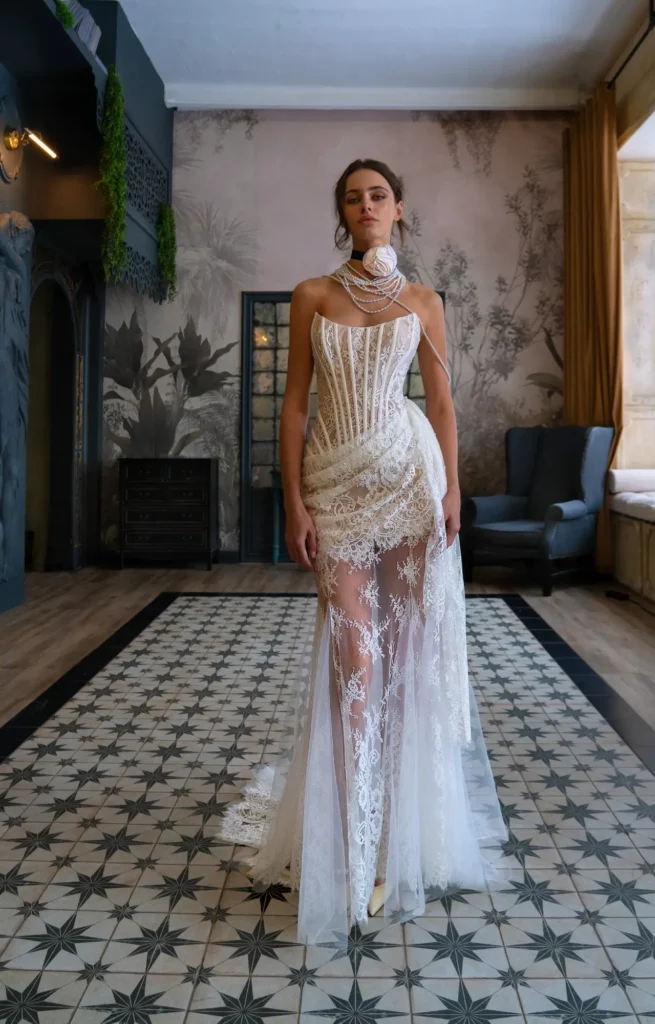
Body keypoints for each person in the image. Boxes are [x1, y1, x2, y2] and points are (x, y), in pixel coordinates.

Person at [220, 159, 509, 946]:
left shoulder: (423, 301)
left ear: (399, 210)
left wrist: (451, 491)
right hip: (337, 490)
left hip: (411, 488)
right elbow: (293, 404)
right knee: (356, 667)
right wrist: (294, 500)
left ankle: (393, 845)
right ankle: (349, 840)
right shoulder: (313, 294)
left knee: (404, 665)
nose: (366, 206)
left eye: (377, 195)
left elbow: (442, 401)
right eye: (353, 197)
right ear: (342, 215)